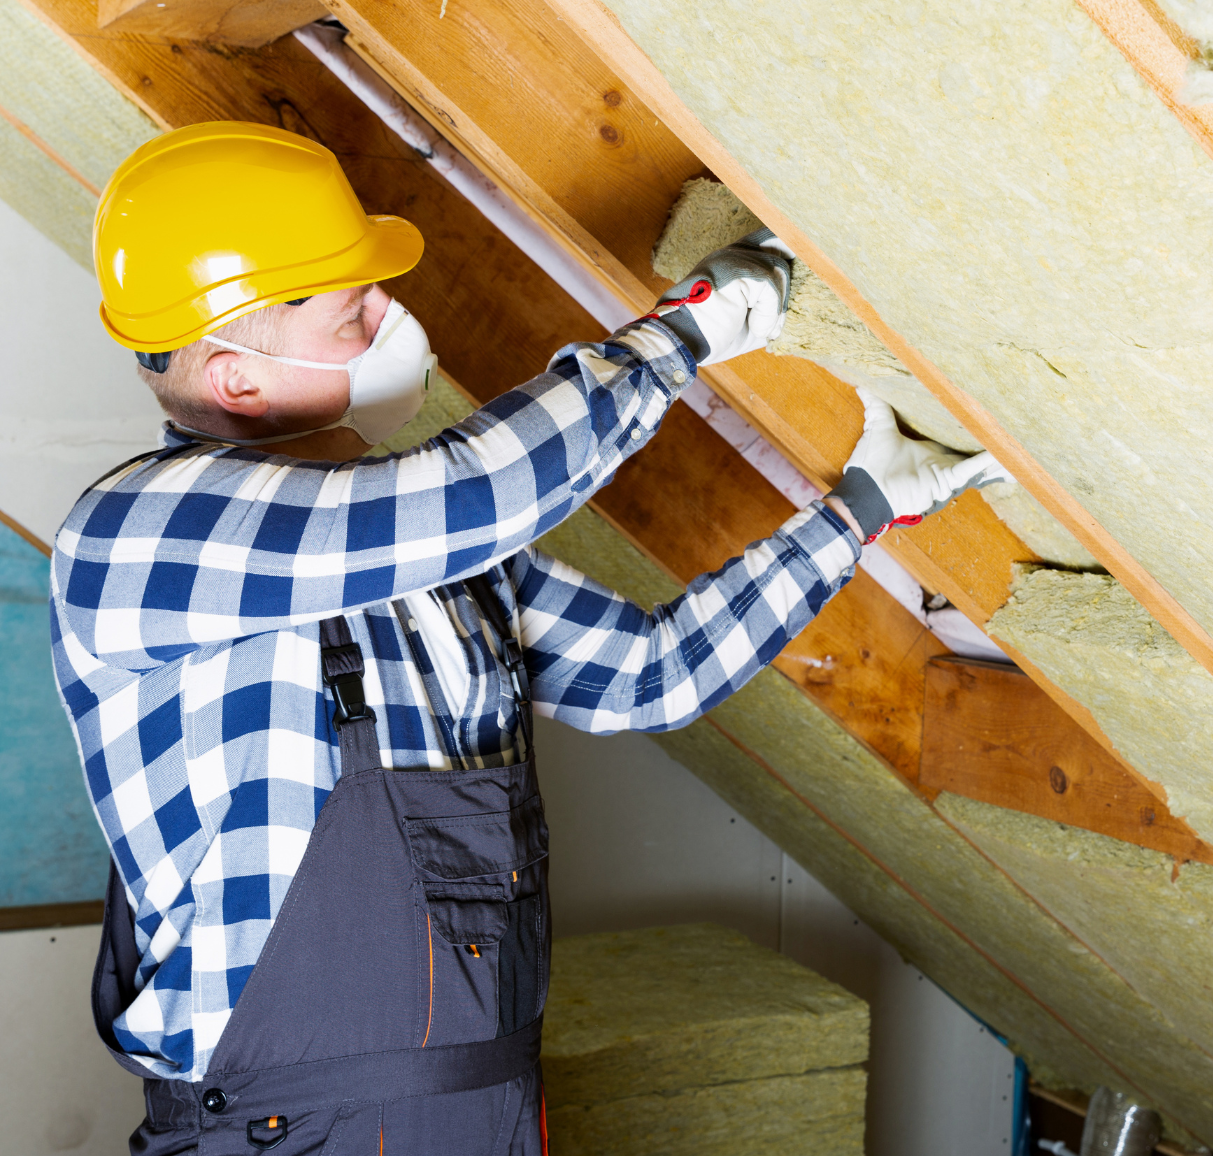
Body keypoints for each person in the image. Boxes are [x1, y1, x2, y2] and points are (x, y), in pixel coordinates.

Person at [53, 121, 1006, 1154]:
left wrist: (855, 512)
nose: (386, 317)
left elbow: (650, 675)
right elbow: (478, 491)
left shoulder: (427, 551)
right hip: (292, 1130)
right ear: (238, 382)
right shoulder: (136, 535)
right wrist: (685, 334)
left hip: (485, 1101)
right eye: (349, 310)